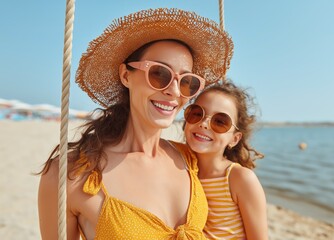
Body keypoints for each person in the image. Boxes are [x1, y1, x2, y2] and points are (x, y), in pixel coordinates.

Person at [37, 8, 233, 240]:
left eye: (186, 81)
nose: (173, 91)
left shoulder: (190, 159)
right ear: (126, 76)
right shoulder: (68, 175)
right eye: (160, 74)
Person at [183, 80, 268, 240]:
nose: (204, 124)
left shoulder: (239, 178)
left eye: (220, 121)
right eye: (196, 113)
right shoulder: (180, 169)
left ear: (234, 139)